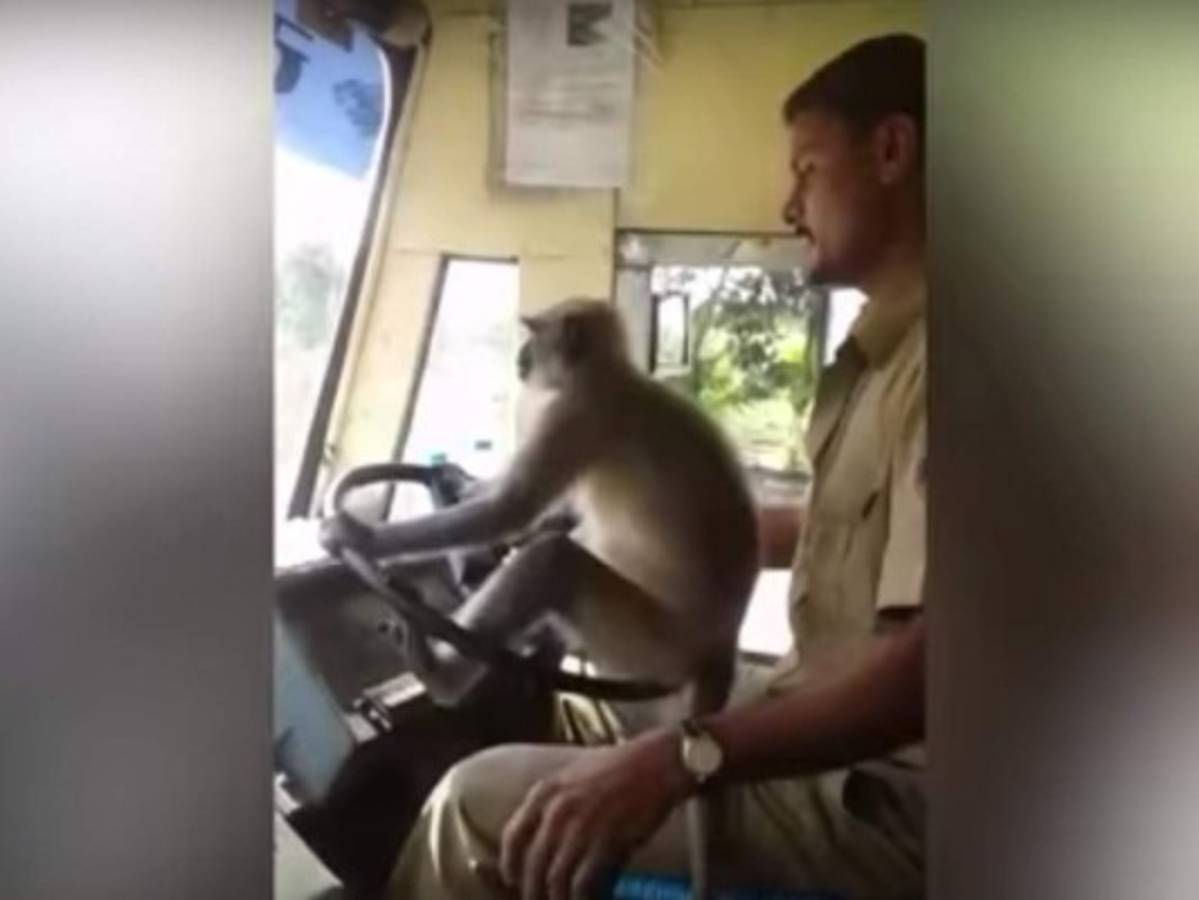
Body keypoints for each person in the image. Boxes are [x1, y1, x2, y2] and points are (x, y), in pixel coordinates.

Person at [388, 32, 929, 900]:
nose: (789, 205)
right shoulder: (877, 360)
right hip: (812, 705)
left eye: (807, 170)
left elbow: (925, 677)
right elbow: (839, 529)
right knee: (573, 705)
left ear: (892, 151)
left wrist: (685, 755)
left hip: (890, 800)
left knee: (471, 802)